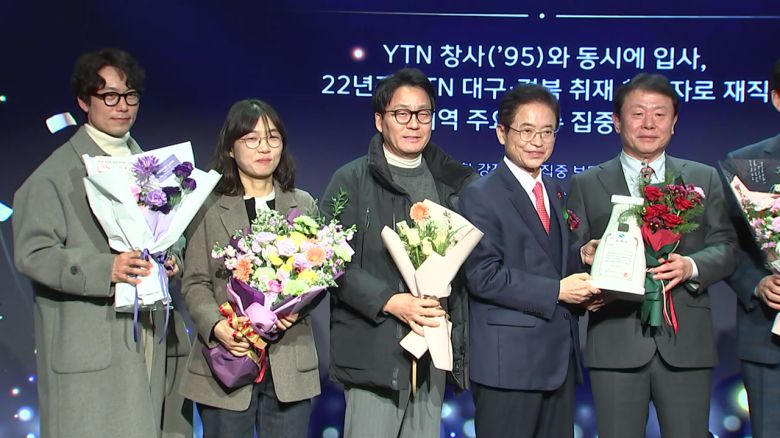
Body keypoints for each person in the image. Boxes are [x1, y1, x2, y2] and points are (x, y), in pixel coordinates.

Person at [12, 48, 192, 438]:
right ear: (84, 100)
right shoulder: (55, 175)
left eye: (130, 96)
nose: (122, 106)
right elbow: (33, 254)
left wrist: (173, 257)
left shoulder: (152, 165)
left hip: (152, 329)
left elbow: (169, 233)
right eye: (109, 96)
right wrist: (106, 268)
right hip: (95, 341)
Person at [568, 73, 737, 438]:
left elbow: (726, 246)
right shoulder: (586, 183)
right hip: (615, 339)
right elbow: (569, 252)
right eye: (638, 113)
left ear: (674, 123)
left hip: (686, 342)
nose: (649, 124)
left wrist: (691, 266)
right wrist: (584, 253)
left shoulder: (703, 178)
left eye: (660, 114)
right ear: (617, 121)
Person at [320, 67, 475, 437]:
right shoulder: (351, 180)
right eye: (401, 114)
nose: (413, 124)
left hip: (433, 350)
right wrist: (389, 301)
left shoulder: (453, 183)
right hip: (374, 353)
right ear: (380, 120)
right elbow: (329, 262)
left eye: (423, 114)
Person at [460, 84, 598, 438]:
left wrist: (582, 256)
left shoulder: (555, 189)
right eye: (526, 130)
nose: (538, 141)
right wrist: (557, 291)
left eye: (547, 131)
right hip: (509, 366)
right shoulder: (479, 194)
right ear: (501, 132)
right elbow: (482, 275)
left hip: (559, 362)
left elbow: (548, 261)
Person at [179, 99, 320, 437]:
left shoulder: (303, 204)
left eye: (273, 138)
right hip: (229, 357)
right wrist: (217, 327)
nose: (264, 148)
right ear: (231, 148)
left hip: (289, 361)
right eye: (251, 139)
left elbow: (319, 275)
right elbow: (195, 281)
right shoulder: (208, 207)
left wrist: (295, 311)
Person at [723, 59, 780, 438]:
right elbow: (726, 244)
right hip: (769, 340)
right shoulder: (746, 166)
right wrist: (757, 283)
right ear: (777, 98)